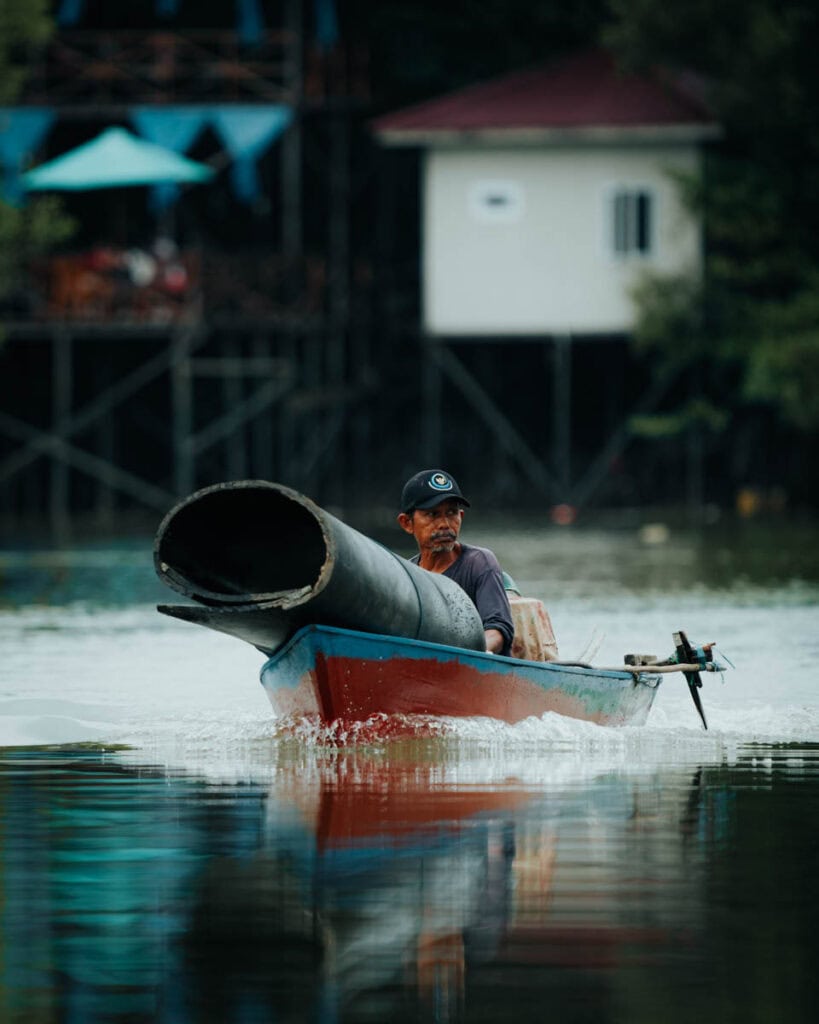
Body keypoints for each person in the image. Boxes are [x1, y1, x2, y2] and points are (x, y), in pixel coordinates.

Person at [397, 469, 514, 655]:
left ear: (461, 517)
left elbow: (498, 629)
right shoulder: (405, 576)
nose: (445, 524)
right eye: (433, 514)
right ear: (407, 523)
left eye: (451, 513)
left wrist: (479, 651)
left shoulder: (479, 563)